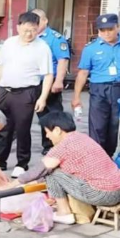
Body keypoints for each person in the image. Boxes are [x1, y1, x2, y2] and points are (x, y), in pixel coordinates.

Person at [16, 112, 120, 224]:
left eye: (47, 132)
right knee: (56, 171)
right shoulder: (82, 137)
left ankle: (64, 213)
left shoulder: (63, 146)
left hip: (104, 194)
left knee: (51, 173)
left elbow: (39, 170)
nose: (47, 136)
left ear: (57, 130)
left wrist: (14, 184)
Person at [0, 12, 53, 178]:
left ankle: (22, 163)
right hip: (5, 90)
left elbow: (48, 75)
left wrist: (42, 98)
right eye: (26, 30)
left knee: (23, 129)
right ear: (18, 27)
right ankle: (0, 161)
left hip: (26, 92)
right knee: (2, 127)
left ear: (38, 29)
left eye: (33, 30)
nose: (29, 34)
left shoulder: (42, 47)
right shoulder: (9, 43)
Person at [72, 13, 120, 158]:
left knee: (117, 126)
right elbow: (83, 73)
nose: (106, 33)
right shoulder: (91, 48)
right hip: (99, 90)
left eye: (110, 29)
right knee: (97, 126)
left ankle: (108, 156)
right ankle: (97, 158)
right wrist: (76, 97)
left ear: (118, 27)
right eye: (102, 30)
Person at [33, 8, 69, 154]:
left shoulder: (55, 38)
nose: (35, 24)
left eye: (38, 21)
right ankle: (47, 145)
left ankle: (56, 146)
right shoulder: (30, 36)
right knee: (40, 115)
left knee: (52, 114)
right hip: (32, 81)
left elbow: (62, 60)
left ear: (45, 20)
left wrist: (58, 81)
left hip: (49, 81)